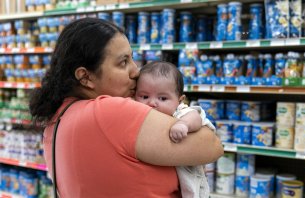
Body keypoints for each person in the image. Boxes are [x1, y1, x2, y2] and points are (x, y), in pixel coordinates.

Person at [29, 18, 223, 197]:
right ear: (85, 77)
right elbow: (211, 146)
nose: (136, 70)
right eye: (123, 62)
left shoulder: (55, 122)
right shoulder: (107, 111)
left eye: (132, 58)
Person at [135, 61, 216, 197]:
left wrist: (183, 124)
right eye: (144, 96)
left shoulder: (179, 112)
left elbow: (196, 117)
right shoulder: (137, 111)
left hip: (189, 175)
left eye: (162, 98)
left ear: (180, 100)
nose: (152, 103)